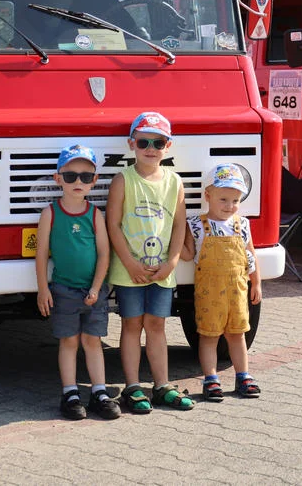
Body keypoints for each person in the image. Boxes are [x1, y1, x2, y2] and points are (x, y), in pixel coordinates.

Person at [106, 111, 193, 413]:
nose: (151, 148)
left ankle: (161, 385)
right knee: (131, 325)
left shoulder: (175, 182)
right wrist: (129, 263)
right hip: (129, 271)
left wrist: (172, 262)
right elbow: (113, 225)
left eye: (158, 142)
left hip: (162, 272)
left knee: (156, 325)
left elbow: (180, 225)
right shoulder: (123, 181)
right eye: (144, 141)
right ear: (132, 144)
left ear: (168, 146)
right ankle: (132, 386)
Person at [35, 144, 120, 421]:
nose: (78, 182)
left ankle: (99, 392)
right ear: (57, 178)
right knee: (69, 341)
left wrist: (97, 288)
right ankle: (70, 393)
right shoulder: (50, 213)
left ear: (95, 180)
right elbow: (41, 254)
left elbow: (105, 254)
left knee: (92, 340)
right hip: (63, 290)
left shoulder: (95, 214)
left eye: (85, 176)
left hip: (93, 291)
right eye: (70, 176)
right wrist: (43, 288)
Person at [183, 163, 262, 401]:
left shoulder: (242, 224)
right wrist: (173, 239)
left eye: (235, 200)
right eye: (224, 199)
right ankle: (210, 379)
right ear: (208, 196)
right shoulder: (197, 224)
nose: (230, 206)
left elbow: (250, 256)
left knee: (237, 335)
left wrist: (256, 283)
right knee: (209, 335)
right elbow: (187, 254)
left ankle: (243, 376)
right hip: (209, 293)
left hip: (237, 291)